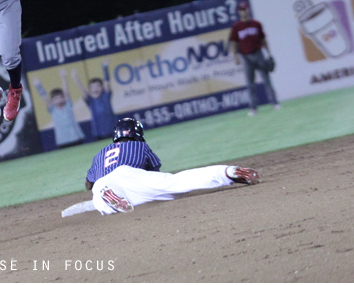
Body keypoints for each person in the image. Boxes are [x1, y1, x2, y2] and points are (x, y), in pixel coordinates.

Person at [85, 117, 260, 215]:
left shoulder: (99, 154)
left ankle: (108, 196)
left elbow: (88, 183)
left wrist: (96, 183)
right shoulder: (140, 146)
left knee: (99, 197)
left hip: (104, 182)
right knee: (176, 182)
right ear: (137, 133)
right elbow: (154, 171)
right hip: (133, 175)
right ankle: (226, 172)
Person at [228, 1, 280, 117]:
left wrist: (269, 53)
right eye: (241, 10)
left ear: (248, 10)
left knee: (266, 80)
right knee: (250, 84)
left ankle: (274, 102)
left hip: (258, 53)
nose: (244, 11)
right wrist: (235, 57)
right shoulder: (236, 27)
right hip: (246, 57)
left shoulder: (256, 24)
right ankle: (253, 108)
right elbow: (234, 43)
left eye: (245, 9)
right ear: (239, 12)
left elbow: (263, 40)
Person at [32, 69, 85, 148]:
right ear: (52, 101)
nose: (59, 100)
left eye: (61, 97)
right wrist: (38, 85)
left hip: (76, 137)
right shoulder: (53, 109)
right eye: (56, 98)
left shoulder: (68, 106)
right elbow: (45, 98)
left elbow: (66, 92)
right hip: (63, 141)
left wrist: (64, 78)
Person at [71, 61, 116, 140]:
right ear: (90, 89)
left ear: (102, 88)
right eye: (92, 87)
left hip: (112, 130)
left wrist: (105, 68)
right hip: (98, 133)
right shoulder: (90, 100)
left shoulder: (106, 96)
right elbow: (82, 89)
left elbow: (107, 82)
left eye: (98, 86)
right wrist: (75, 78)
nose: (95, 88)